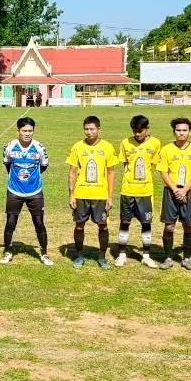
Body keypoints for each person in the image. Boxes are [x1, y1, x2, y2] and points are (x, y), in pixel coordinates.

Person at [66, 115, 118, 269]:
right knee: (79, 225)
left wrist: (110, 197)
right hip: (81, 194)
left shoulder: (107, 147)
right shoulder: (77, 147)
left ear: (99, 129)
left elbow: (111, 173)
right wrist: (71, 194)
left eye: (92, 129)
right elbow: (72, 172)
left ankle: (102, 257)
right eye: (86, 129)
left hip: (100, 195)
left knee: (103, 226)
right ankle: (79, 255)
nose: (89, 132)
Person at [1, 116, 53, 266]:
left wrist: (31, 178)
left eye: (30, 131)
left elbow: (43, 166)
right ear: (18, 130)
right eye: (24, 131)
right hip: (14, 191)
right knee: (10, 222)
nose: (27, 134)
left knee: (39, 223)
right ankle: (7, 251)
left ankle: (44, 253)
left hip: (35, 191)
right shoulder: (9, 147)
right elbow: (7, 164)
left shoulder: (39, 148)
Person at [156, 117, 191, 271]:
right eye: (178, 130)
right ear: (174, 132)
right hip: (171, 192)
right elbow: (163, 172)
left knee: (188, 226)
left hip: (189, 192)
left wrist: (184, 190)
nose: (181, 133)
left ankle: (187, 258)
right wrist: (175, 189)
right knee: (169, 226)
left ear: (190, 132)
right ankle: (168, 257)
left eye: (184, 130)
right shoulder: (166, 149)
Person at [115, 114, 162, 268]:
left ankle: (146, 256)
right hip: (128, 190)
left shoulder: (155, 143)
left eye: (140, 131)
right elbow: (125, 164)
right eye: (134, 130)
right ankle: (122, 254)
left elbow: (153, 164)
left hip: (145, 191)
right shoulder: (125, 143)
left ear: (147, 129)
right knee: (125, 221)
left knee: (146, 223)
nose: (137, 134)